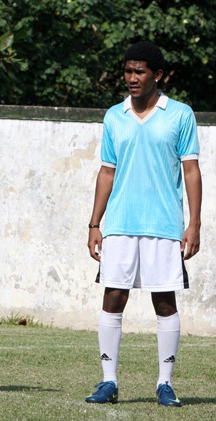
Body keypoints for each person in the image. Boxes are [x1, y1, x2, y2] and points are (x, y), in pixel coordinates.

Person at [85, 41, 201, 407]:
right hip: (119, 224)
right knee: (113, 296)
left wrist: (194, 223)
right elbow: (107, 171)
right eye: (128, 71)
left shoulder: (180, 115)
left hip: (164, 225)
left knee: (164, 301)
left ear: (158, 75)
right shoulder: (114, 115)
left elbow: (191, 171)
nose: (132, 78)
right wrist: (94, 223)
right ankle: (108, 382)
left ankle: (165, 384)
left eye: (140, 72)